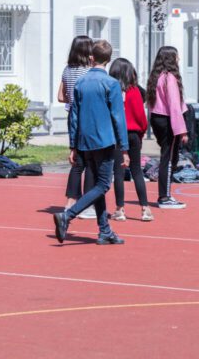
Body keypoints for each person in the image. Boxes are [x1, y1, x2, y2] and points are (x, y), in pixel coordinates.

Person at [53, 40, 128, 245]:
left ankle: (104, 230)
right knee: (103, 185)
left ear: (91, 58)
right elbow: (118, 117)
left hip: (85, 140)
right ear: (109, 60)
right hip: (104, 141)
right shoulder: (111, 84)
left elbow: (74, 116)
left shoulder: (80, 83)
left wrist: (73, 145)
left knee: (97, 185)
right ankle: (68, 215)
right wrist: (125, 148)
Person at [108, 58, 152, 222]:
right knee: (136, 171)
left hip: (118, 136)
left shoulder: (111, 91)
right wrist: (140, 134)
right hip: (134, 134)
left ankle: (120, 209)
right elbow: (141, 117)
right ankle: (145, 208)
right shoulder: (135, 91)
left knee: (118, 173)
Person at [146, 46, 188, 210]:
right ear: (171, 59)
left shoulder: (156, 77)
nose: (178, 59)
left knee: (166, 157)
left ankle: (165, 195)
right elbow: (174, 106)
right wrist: (182, 129)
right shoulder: (170, 78)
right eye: (176, 56)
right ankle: (165, 196)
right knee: (168, 159)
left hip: (157, 118)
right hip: (167, 119)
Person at [60, 36, 96, 219]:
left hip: (72, 114)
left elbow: (60, 96)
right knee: (90, 160)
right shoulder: (89, 71)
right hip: (88, 115)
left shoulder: (67, 70)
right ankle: (87, 204)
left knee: (76, 160)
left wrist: (71, 100)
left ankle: (70, 201)